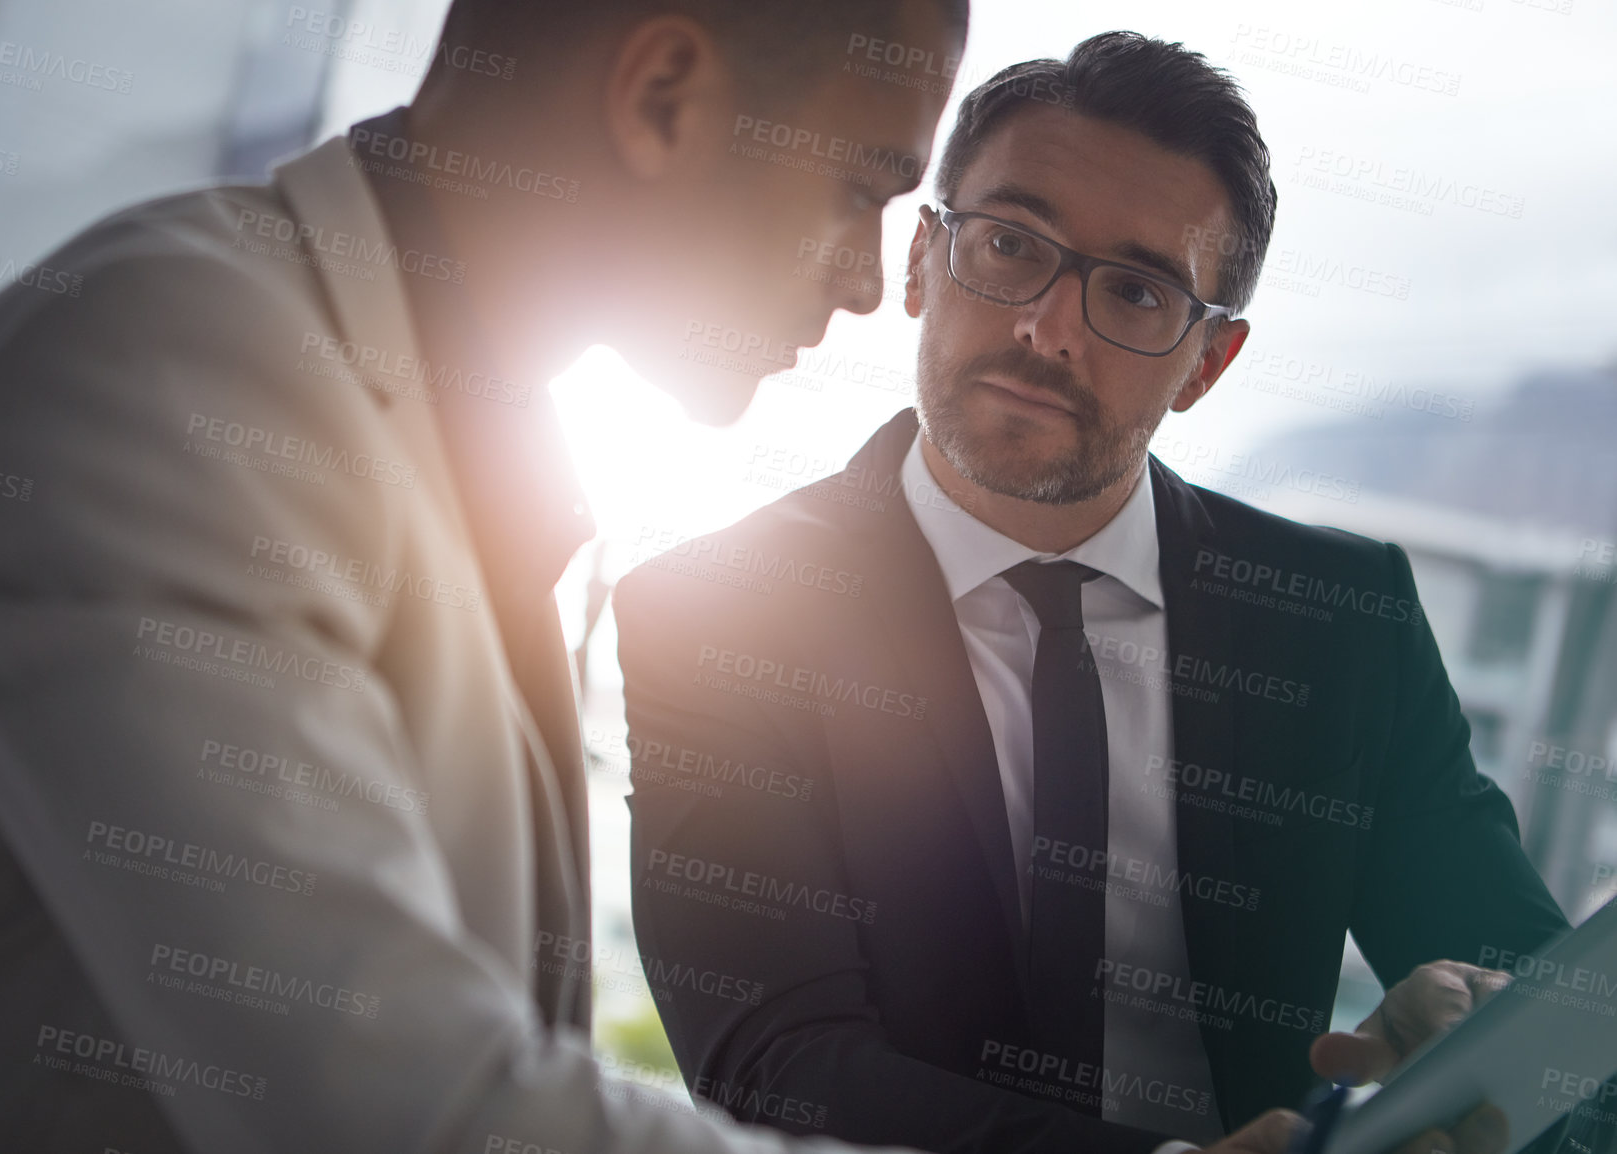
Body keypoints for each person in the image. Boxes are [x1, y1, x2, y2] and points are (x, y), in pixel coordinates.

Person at [0, 1, 969, 1149]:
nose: (862, 282)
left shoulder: (460, 439)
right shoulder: (173, 370)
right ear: (663, 100)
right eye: (860, 186)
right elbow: (400, 1108)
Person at [615, 32, 1568, 1154]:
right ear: (923, 260)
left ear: (1205, 363)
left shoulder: (1340, 617)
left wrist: (1474, 1019)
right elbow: (774, 1062)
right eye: (1010, 245)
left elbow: (1544, 1001)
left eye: (1133, 288)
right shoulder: (716, 612)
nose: (1047, 327)